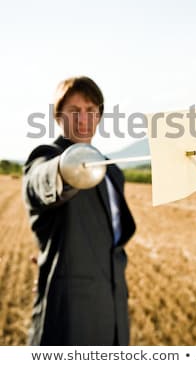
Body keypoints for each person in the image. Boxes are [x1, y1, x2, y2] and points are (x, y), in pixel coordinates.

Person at [23, 76, 136, 346]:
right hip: (69, 316)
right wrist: (62, 170)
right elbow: (38, 183)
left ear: (99, 116)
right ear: (59, 117)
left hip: (114, 313)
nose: (83, 119)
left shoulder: (112, 171)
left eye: (91, 111)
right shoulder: (47, 157)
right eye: (74, 111)